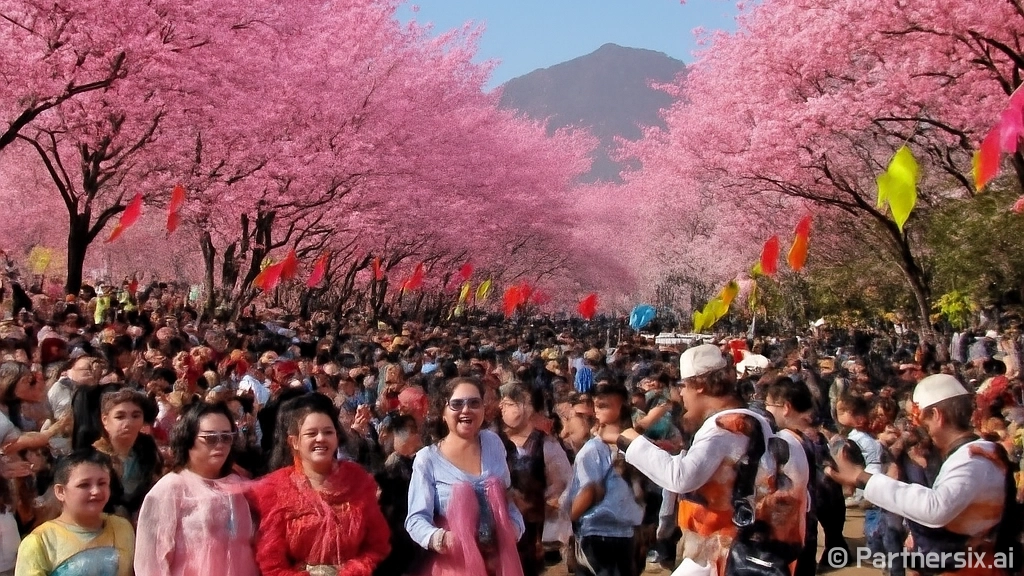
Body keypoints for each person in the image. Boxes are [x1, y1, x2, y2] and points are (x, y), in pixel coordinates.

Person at [610, 344, 807, 576]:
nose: (681, 393)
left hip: (726, 550)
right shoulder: (753, 419)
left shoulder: (723, 427)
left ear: (700, 385)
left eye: (683, 385)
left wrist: (628, 439)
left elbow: (681, 477)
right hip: (724, 548)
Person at [827, 374, 1021, 576]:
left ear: (937, 415)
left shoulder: (973, 458)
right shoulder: (966, 456)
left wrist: (863, 478)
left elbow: (936, 508)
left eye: (920, 419)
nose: (917, 428)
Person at [247, 393, 390, 576]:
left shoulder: (358, 481)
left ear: (337, 437)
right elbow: (271, 560)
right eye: (311, 433)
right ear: (294, 441)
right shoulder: (275, 488)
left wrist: (354, 570)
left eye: (328, 432)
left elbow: (377, 545)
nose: (321, 438)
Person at [406, 377, 525, 576]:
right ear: (442, 412)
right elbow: (416, 520)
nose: (466, 410)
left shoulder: (493, 443)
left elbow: (508, 500)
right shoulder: (427, 459)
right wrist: (443, 539)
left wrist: (514, 528)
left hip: (501, 565)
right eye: (457, 404)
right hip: (455, 567)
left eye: (474, 403)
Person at [134, 402, 258, 576]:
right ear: (188, 439)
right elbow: (151, 562)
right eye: (210, 438)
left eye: (226, 437)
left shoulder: (241, 487)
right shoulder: (170, 489)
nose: (220, 444)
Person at [14, 449, 134, 576]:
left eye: (102, 483)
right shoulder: (40, 542)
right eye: (84, 485)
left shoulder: (122, 527)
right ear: (60, 492)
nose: (96, 491)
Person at [567, 381, 644, 576]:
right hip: (601, 533)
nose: (597, 410)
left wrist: (568, 518)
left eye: (604, 405)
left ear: (622, 407)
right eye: (597, 405)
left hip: (610, 534)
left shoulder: (598, 449)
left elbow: (588, 492)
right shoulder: (598, 448)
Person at [498, 383, 572, 576]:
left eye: (511, 403)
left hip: (530, 534)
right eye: (503, 403)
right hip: (497, 530)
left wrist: (546, 510)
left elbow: (562, 486)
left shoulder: (546, 445)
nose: (502, 408)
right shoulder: (492, 441)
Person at [92, 389, 162, 522]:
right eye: (120, 417)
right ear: (105, 420)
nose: (128, 423)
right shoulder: (94, 457)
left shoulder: (148, 449)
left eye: (136, 416)